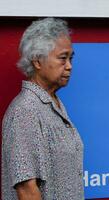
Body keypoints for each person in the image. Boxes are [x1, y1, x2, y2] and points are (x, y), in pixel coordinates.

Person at [2, 18, 84, 200]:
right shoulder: (26, 110)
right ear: (37, 61)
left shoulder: (53, 104)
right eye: (63, 58)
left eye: (71, 58)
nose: (69, 66)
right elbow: (26, 190)